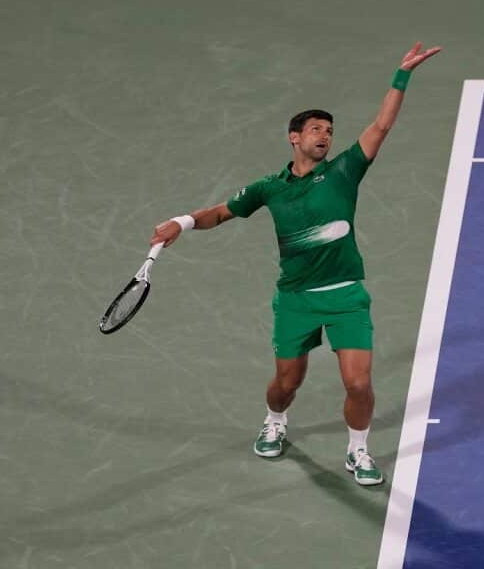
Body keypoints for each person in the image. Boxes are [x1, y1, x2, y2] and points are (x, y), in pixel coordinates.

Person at [148, 42, 441, 485]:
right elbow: (222, 213)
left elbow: (380, 126)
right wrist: (182, 221)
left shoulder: (344, 171)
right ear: (295, 137)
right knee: (286, 384)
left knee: (358, 383)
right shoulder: (269, 187)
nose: (325, 136)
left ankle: (357, 451)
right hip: (296, 299)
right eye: (317, 129)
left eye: (330, 130)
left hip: (345, 295)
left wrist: (402, 75)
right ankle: (275, 421)